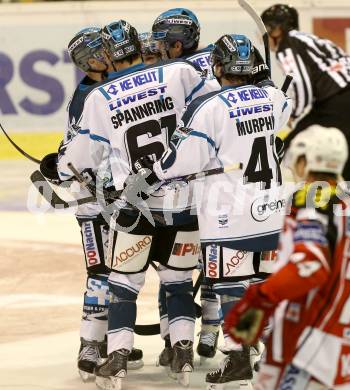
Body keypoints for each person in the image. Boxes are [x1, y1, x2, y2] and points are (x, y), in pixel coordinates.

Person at [57, 19, 217, 389]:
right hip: (184, 202)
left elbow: (76, 159)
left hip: (132, 207)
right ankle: (181, 352)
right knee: (177, 279)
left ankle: (113, 355)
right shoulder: (179, 72)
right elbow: (219, 99)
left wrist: (60, 167)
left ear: (109, 54)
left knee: (122, 283)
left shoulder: (98, 97)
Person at [140, 33, 291, 388]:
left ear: (217, 66)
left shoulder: (209, 106)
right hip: (270, 210)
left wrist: (152, 174)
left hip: (228, 218)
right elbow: (282, 111)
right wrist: (265, 81)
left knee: (230, 286)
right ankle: (271, 352)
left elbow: (183, 159)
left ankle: (238, 358)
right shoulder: (271, 97)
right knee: (261, 283)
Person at [226, 125, 350, 389]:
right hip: (344, 350)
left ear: (304, 160)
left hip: (305, 348)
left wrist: (260, 299)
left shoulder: (312, 198)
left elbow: (311, 265)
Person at [41, 27, 142, 382]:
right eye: (104, 50)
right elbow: (78, 153)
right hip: (95, 203)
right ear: (93, 59)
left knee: (123, 274)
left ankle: (110, 337)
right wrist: (62, 169)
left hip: (119, 199)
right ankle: (89, 342)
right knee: (101, 275)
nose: (112, 52)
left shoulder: (103, 88)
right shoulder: (91, 94)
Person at [261, 4, 350, 225]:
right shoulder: (314, 40)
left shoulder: (286, 45)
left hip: (337, 102)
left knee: (291, 146)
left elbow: (302, 83)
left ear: (277, 29)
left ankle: (286, 209)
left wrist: (296, 116)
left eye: (268, 28)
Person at [152, 8, 222, 365]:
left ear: (178, 43)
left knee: (176, 264)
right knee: (217, 259)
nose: (159, 49)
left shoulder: (181, 72)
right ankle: (210, 328)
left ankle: (177, 339)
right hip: (225, 177)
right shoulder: (219, 57)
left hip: (192, 176)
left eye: (164, 43)